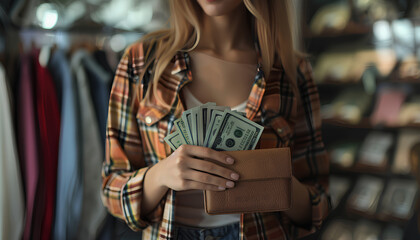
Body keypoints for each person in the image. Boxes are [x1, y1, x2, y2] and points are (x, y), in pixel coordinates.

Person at [101, 0, 331, 239]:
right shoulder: (142, 61)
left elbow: (318, 205)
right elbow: (111, 190)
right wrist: (161, 175)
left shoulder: (293, 70)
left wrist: (275, 180)